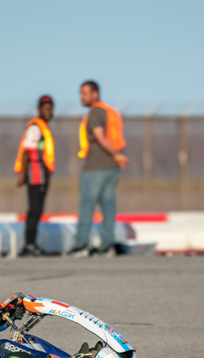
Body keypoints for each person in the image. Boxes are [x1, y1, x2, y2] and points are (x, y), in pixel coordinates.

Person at [69, 80, 129, 258]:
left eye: (84, 93)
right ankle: (106, 246)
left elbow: (100, 136)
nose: (81, 97)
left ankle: (81, 245)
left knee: (87, 205)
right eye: (80, 93)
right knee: (108, 207)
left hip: (96, 167)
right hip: (112, 167)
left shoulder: (95, 112)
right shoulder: (109, 112)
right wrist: (117, 156)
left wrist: (115, 154)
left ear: (95, 94)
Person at [14, 95, 55, 257]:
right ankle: (29, 245)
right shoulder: (35, 127)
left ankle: (32, 244)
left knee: (37, 211)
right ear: (39, 109)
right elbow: (26, 152)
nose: (49, 111)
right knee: (34, 210)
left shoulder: (43, 127)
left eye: (51, 108)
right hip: (35, 174)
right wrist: (22, 175)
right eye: (46, 108)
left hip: (42, 174)